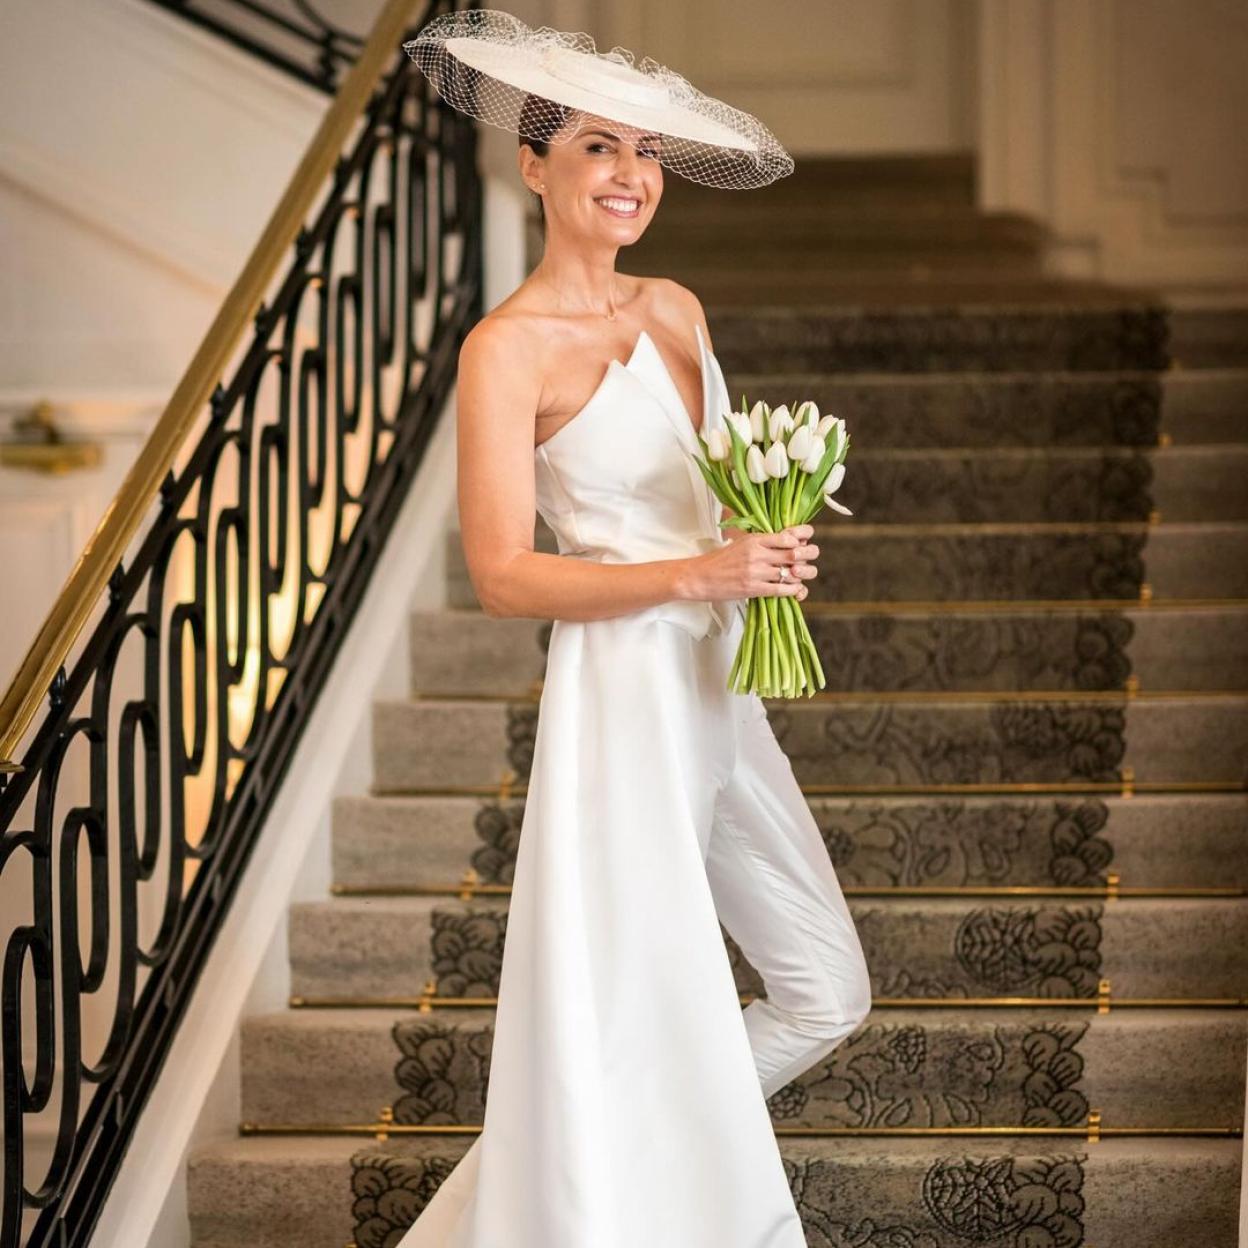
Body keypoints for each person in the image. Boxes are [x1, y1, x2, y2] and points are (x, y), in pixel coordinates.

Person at [397, 11, 872, 1245]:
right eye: (600, 148)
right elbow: (504, 574)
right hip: (621, 699)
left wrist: (766, 536)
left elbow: (708, 492)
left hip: (723, 680)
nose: (630, 175)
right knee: (630, 1002)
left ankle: (579, 1179)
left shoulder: (676, 308)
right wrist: (701, 571)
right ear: (536, 167)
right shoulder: (504, 351)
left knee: (827, 988)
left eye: (647, 153)